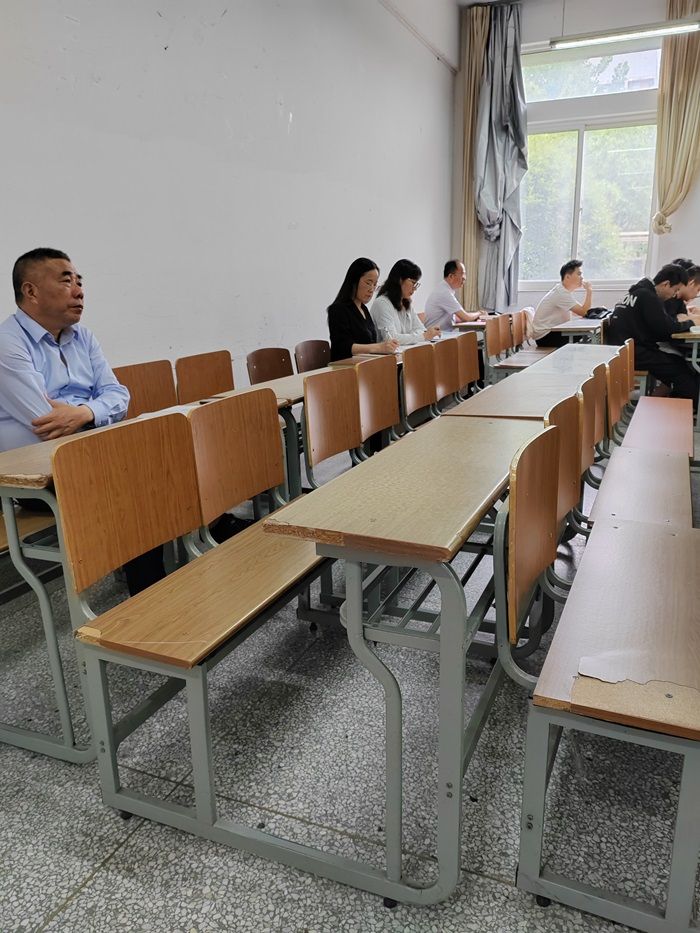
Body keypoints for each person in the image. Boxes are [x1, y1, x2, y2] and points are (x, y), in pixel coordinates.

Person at [0, 247, 163, 593]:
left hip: (93, 454)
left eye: (80, 281)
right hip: (36, 476)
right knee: (138, 483)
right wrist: (99, 411)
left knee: (164, 457)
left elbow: (119, 395)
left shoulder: (83, 337)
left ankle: (195, 549)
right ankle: (149, 597)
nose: (79, 290)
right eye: (66, 281)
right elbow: (46, 422)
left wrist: (84, 412)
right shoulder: (7, 343)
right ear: (31, 291)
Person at [606, 263, 698, 407]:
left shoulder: (637, 292)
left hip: (623, 349)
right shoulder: (648, 297)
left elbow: (662, 325)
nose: (674, 295)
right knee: (682, 369)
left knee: (678, 362)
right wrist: (691, 323)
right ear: (666, 284)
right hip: (634, 353)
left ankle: (672, 404)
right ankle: (687, 407)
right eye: (675, 290)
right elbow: (666, 329)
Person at [327, 258, 399, 362]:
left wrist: (386, 347)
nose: (371, 289)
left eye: (375, 284)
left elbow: (370, 342)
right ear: (354, 281)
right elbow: (342, 346)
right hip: (346, 367)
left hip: (366, 363)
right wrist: (379, 347)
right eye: (368, 283)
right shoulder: (337, 309)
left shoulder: (363, 309)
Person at [370, 259, 440, 345]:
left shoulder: (406, 303)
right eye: (413, 282)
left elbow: (421, 329)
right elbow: (391, 338)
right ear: (400, 280)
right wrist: (422, 336)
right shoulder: (382, 303)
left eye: (416, 284)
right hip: (387, 353)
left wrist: (418, 336)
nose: (415, 288)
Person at [531, 259, 593, 347]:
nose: (582, 277)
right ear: (567, 277)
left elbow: (580, 312)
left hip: (549, 334)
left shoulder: (562, 291)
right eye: (579, 274)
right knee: (587, 334)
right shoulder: (561, 293)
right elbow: (584, 312)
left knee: (586, 334)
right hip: (545, 336)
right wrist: (589, 291)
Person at [423, 260, 485, 333]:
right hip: (436, 336)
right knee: (470, 336)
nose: (464, 278)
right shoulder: (444, 293)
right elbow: (466, 317)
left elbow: (457, 318)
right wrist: (480, 313)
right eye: (462, 274)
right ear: (451, 276)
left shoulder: (444, 289)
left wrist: (471, 317)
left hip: (440, 333)